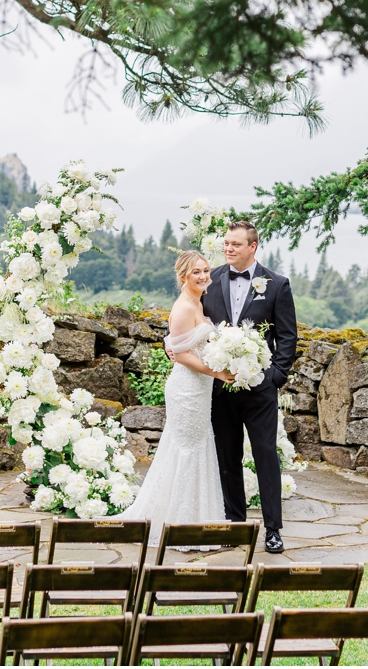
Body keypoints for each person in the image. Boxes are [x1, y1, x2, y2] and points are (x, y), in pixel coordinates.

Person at [114, 251, 232, 539]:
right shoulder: (183, 308)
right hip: (187, 389)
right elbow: (179, 355)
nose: (204, 276)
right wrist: (216, 373)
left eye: (206, 270)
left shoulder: (198, 302)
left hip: (200, 390)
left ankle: (195, 520)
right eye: (196, 272)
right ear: (183, 277)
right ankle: (179, 528)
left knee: (196, 447)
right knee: (187, 450)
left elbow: (183, 345)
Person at [197, 221, 298, 554]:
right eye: (226, 243)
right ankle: (235, 525)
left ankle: (273, 530)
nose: (228, 249)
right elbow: (197, 326)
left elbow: (287, 336)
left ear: (253, 247)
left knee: (266, 455)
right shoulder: (209, 281)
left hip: (259, 390)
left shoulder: (277, 284)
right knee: (227, 456)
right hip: (220, 389)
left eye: (235, 245)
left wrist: (275, 376)